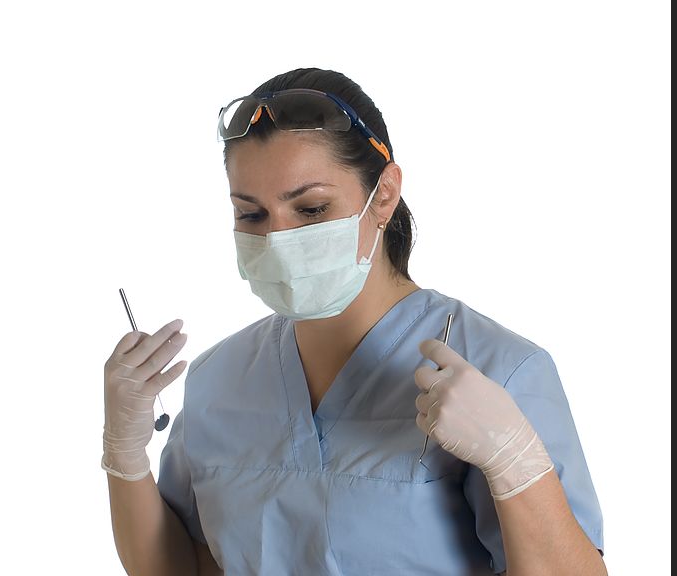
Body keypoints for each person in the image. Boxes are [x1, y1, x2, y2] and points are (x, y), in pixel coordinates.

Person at [102, 67, 606, 575]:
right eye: (251, 215)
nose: (279, 241)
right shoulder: (219, 378)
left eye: (312, 209)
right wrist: (125, 454)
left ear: (383, 195)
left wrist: (513, 462)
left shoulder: (499, 372)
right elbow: (182, 569)